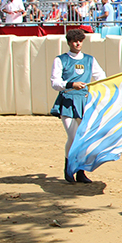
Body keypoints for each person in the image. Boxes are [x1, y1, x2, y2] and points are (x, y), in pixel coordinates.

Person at [50, 28, 106, 184]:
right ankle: (69, 169)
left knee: (83, 137)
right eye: (74, 41)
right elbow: (55, 82)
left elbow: (101, 76)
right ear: (69, 43)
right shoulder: (60, 59)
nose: (77, 43)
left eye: (80, 41)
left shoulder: (90, 60)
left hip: (85, 101)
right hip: (67, 100)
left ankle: (80, 171)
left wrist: (95, 87)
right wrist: (71, 84)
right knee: (73, 136)